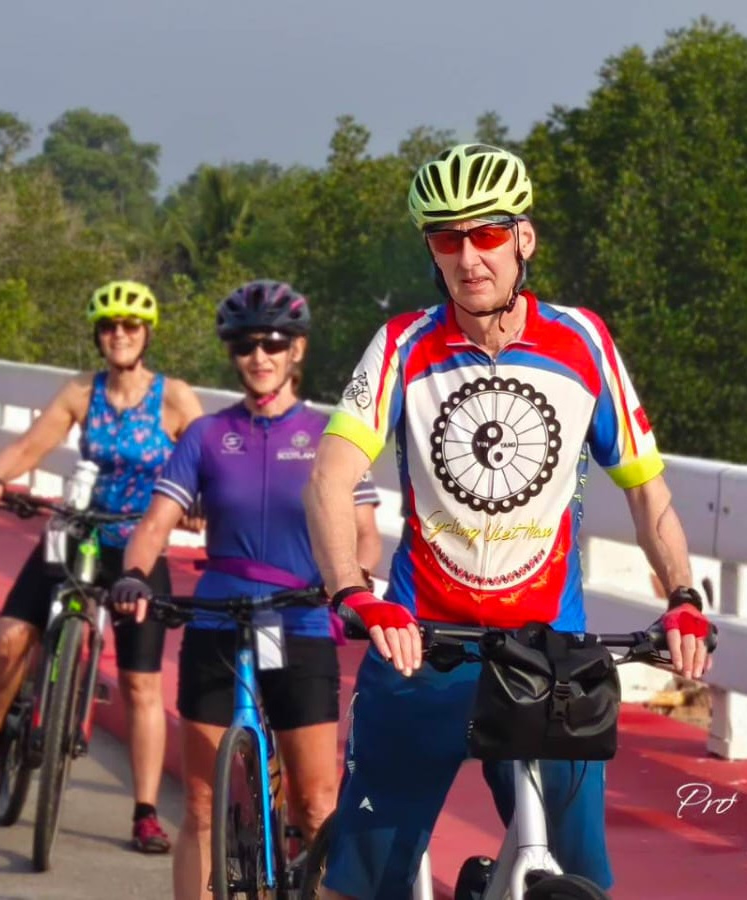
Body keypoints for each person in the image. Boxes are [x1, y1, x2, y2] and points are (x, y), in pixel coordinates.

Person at [302, 143, 713, 900]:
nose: (468, 258)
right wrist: (352, 593)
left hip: (548, 659)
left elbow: (647, 492)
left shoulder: (582, 341)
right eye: (446, 239)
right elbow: (329, 478)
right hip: (421, 647)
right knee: (361, 885)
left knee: (578, 878)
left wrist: (683, 597)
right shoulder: (402, 344)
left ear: (523, 238)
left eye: (486, 234)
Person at [111, 280, 383, 900]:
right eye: (244, 346)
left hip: (300, 620)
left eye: (273, 343)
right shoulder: (206, 435)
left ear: (297, 350)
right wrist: (134, 574)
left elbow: (366, 535)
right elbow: (153, 525)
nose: (259, 356)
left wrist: (352, 585)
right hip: (217, 619)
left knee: (316, 804)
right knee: (201, 805)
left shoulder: (329, 436)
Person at [0, 279, 204, 854]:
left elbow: (205, 461)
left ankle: (144, 812)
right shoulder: (80, 391)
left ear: (146, 334)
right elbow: (30, 447)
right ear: (98, 335)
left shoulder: (174, 397)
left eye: (130, 326)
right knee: (10, 636)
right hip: (76, 532)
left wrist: (200, 504)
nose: (119, 334)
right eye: (109, 326)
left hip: (139, 545)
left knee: (141, 683)